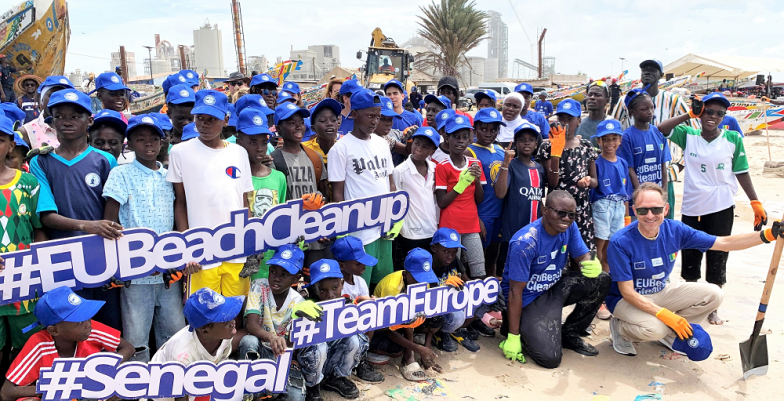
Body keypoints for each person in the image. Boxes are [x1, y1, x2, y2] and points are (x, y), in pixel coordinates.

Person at [607, 183, 781, 356]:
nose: (650, 215)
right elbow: (627, 292)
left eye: (656, 209)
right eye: (643, 210)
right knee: (655, 329)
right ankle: (621, 329)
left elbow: (724, 243)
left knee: (714, 294)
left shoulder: (675, 230)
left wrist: (767, 235)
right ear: (634, 210)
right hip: (625, 300)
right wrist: (665, 315)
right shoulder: (620, 241)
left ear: (666, 209)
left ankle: (672, 332)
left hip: (660, 291)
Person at [657, 92, 764, 326]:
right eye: (708, 111)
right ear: (701, 113)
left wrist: (755, 202)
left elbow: (742, 171)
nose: (713, 117)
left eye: (719, 113)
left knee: (718, 254)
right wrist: (689, 114)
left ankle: (713, 307)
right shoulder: (689, 135)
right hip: (693, 204)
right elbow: (661, 129)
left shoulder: (732, 139)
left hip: (721, 205)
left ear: (724, 117)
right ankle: (692, 301)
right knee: (691, 254)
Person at [29, 89, 123, 329]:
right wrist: (89, 226)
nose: (67, 121)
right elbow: (46, 216)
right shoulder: (41, 161)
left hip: (102, 258)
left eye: (75, 116)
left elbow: (114, 212)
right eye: (59, 116)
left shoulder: (105, 160)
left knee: (107, 325)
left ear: (89, 121)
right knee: (70, 326)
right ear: (51, 122)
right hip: (62, 259)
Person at [102, 115, 186, 362]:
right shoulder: (121, 174)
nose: (148, 144)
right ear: (129, 144)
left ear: (163, 142)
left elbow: (178, 213)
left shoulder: (170, 176)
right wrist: (115, 264)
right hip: (135, 271)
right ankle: (138, 390)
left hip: (167, 270)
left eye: (153, 138)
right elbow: (110, 221)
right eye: (140, 139)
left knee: (174, 333)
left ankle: (169, 387)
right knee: (137, 339)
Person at [499, 190, 611, 369]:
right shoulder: (525, 243)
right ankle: (513, 327)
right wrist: (514, 336)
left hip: (553, 285)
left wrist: (590, 264)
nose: (566, 218)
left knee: (602, 279)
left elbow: (582, 257)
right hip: (529, 298)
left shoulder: (569, 227)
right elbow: (514, 291)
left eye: (571, 214)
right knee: (550, 359)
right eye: (561, 213)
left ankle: (570, 333)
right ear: (545, 210)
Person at [167, 89, 254, 297]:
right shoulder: (180, 152)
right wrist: (187, 247)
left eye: (211, 119)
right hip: (201, 251)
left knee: (235, 313)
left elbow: (244, 201)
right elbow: (180, 203)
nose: (204, 125)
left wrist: (248, 243)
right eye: (200, 118)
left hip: (235, 249)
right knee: (205, 315)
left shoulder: (239, 153)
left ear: (225, 120)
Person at [0, 287, 134, 401]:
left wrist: (104, 368)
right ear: (54, 330)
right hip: (54, 396)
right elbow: (6, 392)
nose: (88, 324)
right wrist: (58, 387)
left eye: (87, 316)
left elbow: (128, 348)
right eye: (78, 322)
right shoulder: (39, 344)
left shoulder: (90, 330)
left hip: (89, 391)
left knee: (119, 386)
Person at [328, 89, 396, 287]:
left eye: (378, 116)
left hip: (384, 228)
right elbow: (338, 194)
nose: (375, 121)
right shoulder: (341, 149)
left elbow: (390, 182)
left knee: (384, 284)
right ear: (355, 114)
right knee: (360, 286)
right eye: (370, 115)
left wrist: (391, 218)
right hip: (360, 232)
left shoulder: (382, 143)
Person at [238, 245, 324, 401]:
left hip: (284, 358)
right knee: (248, 340)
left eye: (284, 274)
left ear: (296, 278)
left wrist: (298, 322)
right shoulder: (259, 286)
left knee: (296, 397)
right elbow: (251, 325)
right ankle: (249, 392)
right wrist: (271, 337)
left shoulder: (299, 303)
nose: (276, 278)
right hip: (261, 351)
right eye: (273, 271)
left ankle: (273, 390)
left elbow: (295, 345)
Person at [0, 115, 43, 366]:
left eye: (0, 140)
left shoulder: (28, 183)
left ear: (11, 145)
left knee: (26, 350)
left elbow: (39, 229)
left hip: (22, 283)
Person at [150, 288, 244, 401]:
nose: (233, 322)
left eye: (230, 316)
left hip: (199, 384)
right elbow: (179, 397)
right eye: (225, 321)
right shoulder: (182, 355)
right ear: (205, 331)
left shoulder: (224, 336)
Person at [306, 259, 378, 398]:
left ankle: (337, 378)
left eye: (334, 288)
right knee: (318, 346)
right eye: (323, 290)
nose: (330, 295)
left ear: (342, 284)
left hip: (333, 356)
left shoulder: (345, 302)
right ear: (314, 288)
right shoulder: (308, 305)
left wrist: (364, 303)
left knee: (355, 340)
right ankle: (312, 385)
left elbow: (355, 309)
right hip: (314, 359)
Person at [537, 99, 598, 253]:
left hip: (581, 209)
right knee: (557, 253)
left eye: (569, 119)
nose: (564, 123)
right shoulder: (547, 147)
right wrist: (556, 153)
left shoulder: (586, 147)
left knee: (583, 254)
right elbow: (552, 183)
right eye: (561, 118)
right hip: (558, 211)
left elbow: (595, 180)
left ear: (578, 121)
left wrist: (589, 181)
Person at [371, 248, 442, 379]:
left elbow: (416, 313)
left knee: (436, 319)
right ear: (405, 274)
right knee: (396, 350)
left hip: (405, 320)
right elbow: (389, 328)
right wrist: (416, 349)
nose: (421, 282)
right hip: (382, 325)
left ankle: (417, 352)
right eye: (417, 278)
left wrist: (426, 353)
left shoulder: (423, 283)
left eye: (424, 278)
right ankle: (406, 358)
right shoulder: (392, 288)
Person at [235, 107, 287, 279]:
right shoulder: (233, 179)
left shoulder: (279, 177)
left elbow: (281, 217)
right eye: (252, 142)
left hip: (271, 258)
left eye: (263, 142)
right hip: (241, 257)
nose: (259, 148)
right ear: (239, 142)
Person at [435, 115, 486, 278]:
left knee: (479, 269)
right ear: (447, 138)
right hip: (450, 226)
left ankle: (479, 303)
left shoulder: (474, 163)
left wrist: (476, 181)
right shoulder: (442, 166)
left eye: (465, 137)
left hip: (471, 225)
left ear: (470, 139)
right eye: (456, 137)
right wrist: (461, 184)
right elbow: (442, 202)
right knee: (452, 273)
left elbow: (479, 199)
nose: (460, 141)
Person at [590, 119, 631, 320]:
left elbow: (625, 192)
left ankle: (605, 291)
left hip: (617, 207)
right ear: (599, 141)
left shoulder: (622, 163)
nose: (609, 143)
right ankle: (596, 295)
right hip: (602, 206)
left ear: (620, 140)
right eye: (605, 139)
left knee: (612, 249)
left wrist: (626, 214)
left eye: (614, 139)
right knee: (599, 248)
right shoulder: (596, 162)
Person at [494, 122, 545, 280]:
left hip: (535, 233)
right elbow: (500, 193)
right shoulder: (511, 166)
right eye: (522, 139)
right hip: (513, 233)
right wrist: (505, 163)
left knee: (531, 271)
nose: (527, 143)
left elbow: (539, 198)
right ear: (515, 143)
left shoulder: (539, 168)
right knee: (510, 274)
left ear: (536, 144)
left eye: (531, 139)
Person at [616, 88, 673, 219]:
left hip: (657, 199)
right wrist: (642, 195)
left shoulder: (658, 133)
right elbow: (630, 170)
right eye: (644, 109)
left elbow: (663, 166)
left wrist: (663, 194)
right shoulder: (627, 137)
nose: (650, 112)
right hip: (638, 199)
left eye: (652, 108)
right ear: (632, 112)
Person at [392, 126, 440, 270]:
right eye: (417, 143)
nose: (419, 148)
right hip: (410, 233)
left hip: (431, 230)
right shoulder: (400, 171)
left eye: (425, 147)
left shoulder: (435, 169)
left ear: (432, 151)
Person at [467, 108, 506, 281]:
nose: (488, 133)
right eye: (483, 129)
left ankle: (491, 292)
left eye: (493, 129)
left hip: (499, 213)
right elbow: (467, 190)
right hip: (482, 214)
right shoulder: (470, 151)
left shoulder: (500, 150)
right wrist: (476, 217)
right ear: (475, 129)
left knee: (493, 255)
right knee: (477, 259)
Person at [429, 228, 482, 352]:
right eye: (446, 251)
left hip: (452, 301)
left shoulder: (453, 261)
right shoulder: (427, 264)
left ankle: (456, 331)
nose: (450, 256)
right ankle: (439, 333)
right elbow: (424, 296)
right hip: (433, 308)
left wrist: (483, 291)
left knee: (481, 299)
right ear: (434, 248)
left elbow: (467, 281)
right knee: (457, 316)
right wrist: (442, 287)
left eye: (454, 252)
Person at [19, 75, 74, 149]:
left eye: (64, 96)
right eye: (52, 95)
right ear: (40, 99)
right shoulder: (27, 132)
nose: (58, 100)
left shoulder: (80, 128)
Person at [303, 98, 342, 166]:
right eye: (322, 120)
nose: (329, 124)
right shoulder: (304, 150)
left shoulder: (344, 150)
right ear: (313, 128)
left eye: (333, 120)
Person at [576, 81, 612, 148]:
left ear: (606, 100)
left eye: (597, 95)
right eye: (589, 94)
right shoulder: (578, 125)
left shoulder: (612, 125)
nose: (592, 97)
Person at [375, 96, 407, 165]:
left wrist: (410, 140)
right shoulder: (361, 139)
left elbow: (406, 151)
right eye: (382, 119)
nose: (388, 123)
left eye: (390, 119)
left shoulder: (387, 139)